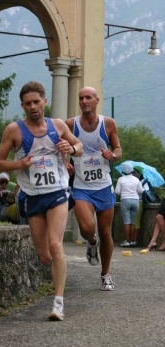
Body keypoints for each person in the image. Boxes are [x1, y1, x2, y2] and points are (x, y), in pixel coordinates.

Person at [0, 81, 83, 321]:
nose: (33, 107)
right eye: (28, 103)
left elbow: (80, 146)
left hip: (57, 192)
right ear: (22, 106)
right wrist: (19, 164)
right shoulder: (13, 130)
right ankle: (56, 275)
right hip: (32, 196)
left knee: (56, 245)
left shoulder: (57, 125)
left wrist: (71, 149)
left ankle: (58, 303)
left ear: (44, 102)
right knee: (44, 255)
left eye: (37, 102)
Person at [65, 86, 122, 291]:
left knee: (105, 232)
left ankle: (105, 275)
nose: (84, 101)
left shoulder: (107, 124)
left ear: (97, 100)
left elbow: (118, 149)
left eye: (88, 97)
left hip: (104, 186)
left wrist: (112, 155)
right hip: (81, 187)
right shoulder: (71, 124)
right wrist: (65, 163)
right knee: (88, 229)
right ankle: (91, 242)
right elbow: (57, 145)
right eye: (81, 98)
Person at [114, 162, 143, 247]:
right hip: (135, 201)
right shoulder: (136, 179)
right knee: (133, 221)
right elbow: (141, 191)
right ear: (131, 170)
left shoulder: (121, 179)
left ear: (123, 171)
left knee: (127, 221)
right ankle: (133, 241)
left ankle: (127, 241)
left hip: (125, 201)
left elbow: (117, 192)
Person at [131, 165, 149, 246]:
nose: (133, 174)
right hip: (134, 201)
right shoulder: (134, 181)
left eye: (135, 173)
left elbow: (146, 191)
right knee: (132, 221)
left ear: (139, 173)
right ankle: (131, 240)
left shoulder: (143, 182)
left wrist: (138, 189)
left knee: (136, 221)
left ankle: (135, 240)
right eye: (132, 172)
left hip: (140, 201)